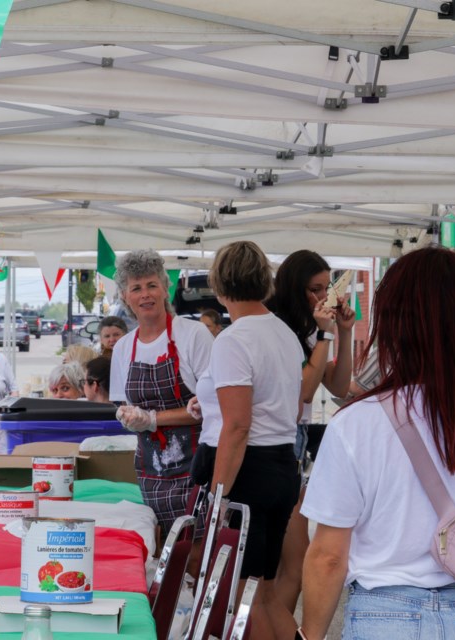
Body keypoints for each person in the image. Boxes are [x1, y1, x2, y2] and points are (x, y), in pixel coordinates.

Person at [298, 247, 455, 640]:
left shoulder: (354, 425)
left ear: (394, 324)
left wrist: (310, 635)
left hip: (381, 619)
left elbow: (329, 556)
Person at [191, 240, 302, 638]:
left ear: (219, 287)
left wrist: (219, 497)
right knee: (264, 592)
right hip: (280, 464)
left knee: (242, 598)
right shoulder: (284, 333)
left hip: (249, 472)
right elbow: (293, 407)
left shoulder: (234, 339)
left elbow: (237, 426)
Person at [268, 249, 355, 613]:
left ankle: (277, 623)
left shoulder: (309, 329)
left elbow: (337, 384)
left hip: (294, 442)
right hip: (277, 444)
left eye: (326, 288)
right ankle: (276, 625)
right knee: (290, 558)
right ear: (293, 288)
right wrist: (324, 334)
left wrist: (345, 333)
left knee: (294, 560)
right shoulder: (281, 327)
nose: (322, 297)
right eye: (314, 289)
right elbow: (303, 390)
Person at [109, 249, 213, 541]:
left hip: (197, 466)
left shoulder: (193, 335)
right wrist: (126, 416)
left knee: (194, 550)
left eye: (152, 285)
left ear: (165, 288)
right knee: (158, 546)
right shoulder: (123, 347)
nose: (146, 294)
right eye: (136, 288)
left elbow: (211, 406)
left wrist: (152, 419)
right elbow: (122, 405)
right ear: (125, 297)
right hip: (150, 470)